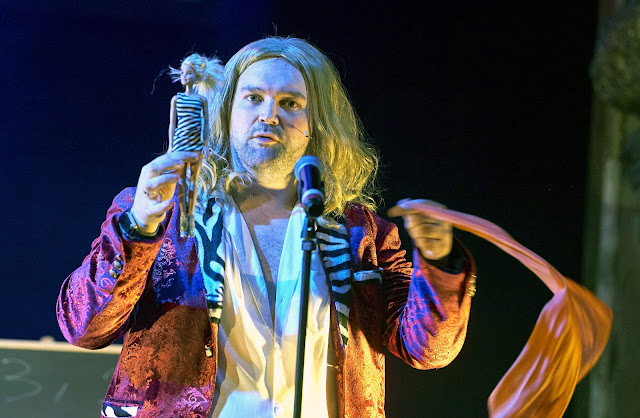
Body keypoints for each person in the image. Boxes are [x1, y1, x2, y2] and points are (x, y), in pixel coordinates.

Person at [57, 36, 477, 418]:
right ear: (227, 111)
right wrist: (139, 225)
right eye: (253, 98)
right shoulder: (163, 211)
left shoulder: (363, 233)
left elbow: (429, 350)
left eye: (290, 103)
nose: (269, 115)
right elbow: (84, 327)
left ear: (317, 122)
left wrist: (439, 263)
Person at [167, 53, 224, 237]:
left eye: (189, 73)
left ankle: (189, 220)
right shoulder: (176, 99)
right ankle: (184, 218)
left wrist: (205, 144)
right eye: (183, 73)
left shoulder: (201, 100)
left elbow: (205, 123)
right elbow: (172, 124)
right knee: (181, 183)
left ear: (197, 76)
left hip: (196, 144)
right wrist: (171, 146)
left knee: (193, 182)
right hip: (180, 142)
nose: (184, 77)